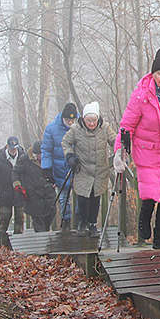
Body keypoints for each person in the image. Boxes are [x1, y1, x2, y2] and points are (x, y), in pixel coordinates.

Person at [119, 46, 160, 249]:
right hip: (147, 152)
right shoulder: (141, 95)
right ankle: (143, 222)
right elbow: (126, 126)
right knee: (150, 193)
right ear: (153, 73)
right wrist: (120, 152)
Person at [61, 101, 118, 237]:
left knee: (95, 198)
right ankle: (82, 222)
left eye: (94, 120)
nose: (91, 123)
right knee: (82, 198)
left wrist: (119, 150)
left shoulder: (105, 128)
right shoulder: (76, 129)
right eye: (88, 120)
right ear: (83, 119)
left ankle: (92, 224)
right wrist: (69, 156)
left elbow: (115, 140)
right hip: (83, 169)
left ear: (98, 119)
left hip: (100, 171)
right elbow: (65, 142)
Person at [41, 102, 78, 232]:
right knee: (63, 199)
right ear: (63, 117)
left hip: (78, 170)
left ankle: (79, 223)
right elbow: (46, 150)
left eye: (72, 119)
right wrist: (46, 169)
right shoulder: (51, 129)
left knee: (80, 197)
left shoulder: (81, 127)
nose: (70, 122)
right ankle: (66, 223)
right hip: (59, 170)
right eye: (68, 119)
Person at [13, 141, 58, 232]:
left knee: (49, 216)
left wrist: (56, 181)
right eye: (38, 154)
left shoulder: (50, 159)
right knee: (38, 221)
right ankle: (42, 243)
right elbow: (15, 172)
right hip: (32, 195)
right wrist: (17, 184)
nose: (40, 156)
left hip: (48, 194)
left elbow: (57, 171)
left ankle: (45, 237)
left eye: (42, 154)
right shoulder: (24, 159)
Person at [0, 135, 27, 240]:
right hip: (4, 194)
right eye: (11, 148)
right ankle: (2, 242)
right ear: (7, 147)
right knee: (4, 220)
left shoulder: (23, 158)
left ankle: (19, 243)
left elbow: (28, 176)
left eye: (15, 148)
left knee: (20, 219)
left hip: (19, 193)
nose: (13, 150)